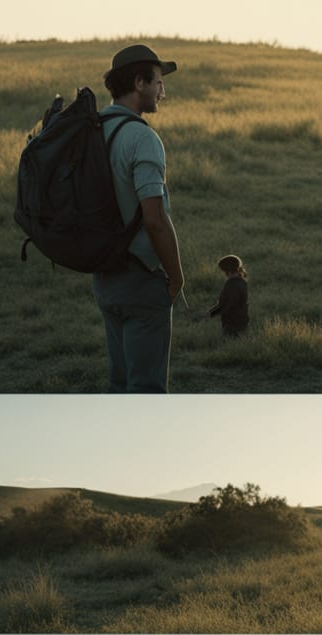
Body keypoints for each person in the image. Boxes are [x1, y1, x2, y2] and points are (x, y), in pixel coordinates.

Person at [94, 44, 185, 393]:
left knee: (120, 384)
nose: (163, 91)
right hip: (142, 280)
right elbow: (154, 219)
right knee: (146, 390)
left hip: (104, 276)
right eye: (159, 83)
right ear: (138, 83)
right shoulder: (142, 138)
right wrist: (176, 278)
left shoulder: (93, 128)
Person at [208, 254, 249, 338]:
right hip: (241, 321)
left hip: (233, 324)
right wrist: (211, 312)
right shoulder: (241, 282)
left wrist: (212, 313)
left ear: (228, 271)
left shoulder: (232, 285)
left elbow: (229, 305)